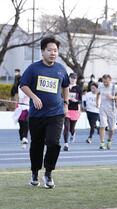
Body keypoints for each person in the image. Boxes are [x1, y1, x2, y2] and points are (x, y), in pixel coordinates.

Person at [20, 36, 69, 188]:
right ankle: (35, 172)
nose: (53, 53)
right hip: (37, 116)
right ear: (42, 51)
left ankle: (48, 173)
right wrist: (33, 97)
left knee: (53, 143)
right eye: (49, 50)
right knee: (37, 145)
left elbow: (65, 86)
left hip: (56, 114)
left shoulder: (61, 69)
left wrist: (66, 103)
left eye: (55, 50)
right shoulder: (34, 68)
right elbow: (23, 85)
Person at [96, 74, 117, 150]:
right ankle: (102, 142)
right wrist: (97, 102)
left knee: (111, 128)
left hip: (112, 109)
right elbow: (98, 94)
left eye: (107, 82)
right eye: (104, 82)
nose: (105, 83)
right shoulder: (100, 86)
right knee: (102, 125)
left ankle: (109, 140)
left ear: (110, 80)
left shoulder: (114, 87)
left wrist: (112, 97)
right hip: (103, 108)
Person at [63, 73, 82, 151]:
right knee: (66, 127)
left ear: (76, 79)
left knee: (71, 128)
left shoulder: (78, 88)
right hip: (66, 108)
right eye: (71, 78)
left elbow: (80, 100)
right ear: (69, 78)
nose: (72, 79)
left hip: (75, 109)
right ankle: (66, 144)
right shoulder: (65, 87)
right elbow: (61, 96)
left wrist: (76, 101)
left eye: (74, 78)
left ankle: (73, 133)